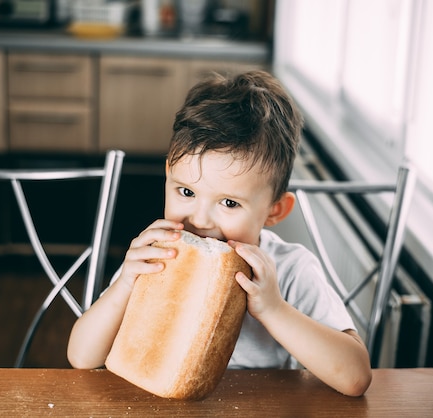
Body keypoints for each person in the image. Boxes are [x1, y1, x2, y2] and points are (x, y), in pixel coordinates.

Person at [67, 70, 372, 397]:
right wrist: (126, 283)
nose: (200, 219)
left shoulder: (291, 269)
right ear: (168, 174)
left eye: (228, 202)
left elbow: (355, 377)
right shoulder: (154, 255)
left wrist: (274, 309)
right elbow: (82, 357)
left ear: (275, 211)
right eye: (186, 192)